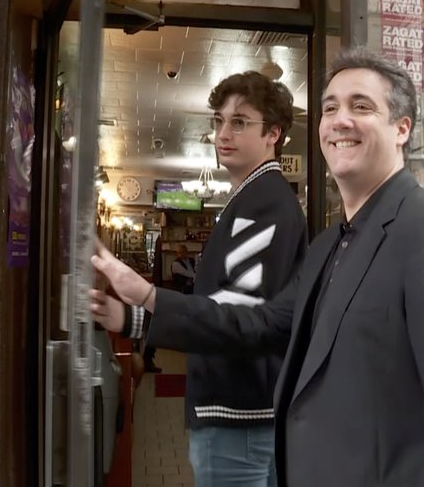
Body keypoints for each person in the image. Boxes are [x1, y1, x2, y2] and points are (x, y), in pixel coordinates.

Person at [91, 48, 424, 487]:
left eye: (361, 106)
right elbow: (263, 323)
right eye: (330, 108)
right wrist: (145, 302)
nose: (340, 120)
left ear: (401, 128)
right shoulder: (329, 245)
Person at [98, 71, 308, 487]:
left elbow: (240, 323)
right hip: (244, 413)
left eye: (240, 122)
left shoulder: (261, 202)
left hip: (237, 416)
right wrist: (131, 319)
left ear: (274, 134)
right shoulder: (251, 198)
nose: (222, 134)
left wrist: (147, 294)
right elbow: (228, 308)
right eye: (218, 121)